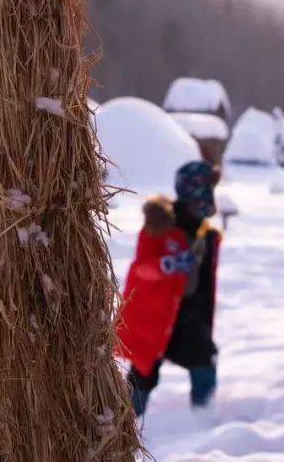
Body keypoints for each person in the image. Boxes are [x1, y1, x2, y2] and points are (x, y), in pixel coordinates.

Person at [116, 160, 222, 417]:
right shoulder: (161, 224)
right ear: (192, 190)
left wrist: (205, 323)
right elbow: (141, 269)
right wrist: (169, 264)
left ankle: (203, 422)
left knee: (204, 364)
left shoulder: (206, 233)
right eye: (204, 189)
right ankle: (124, 427)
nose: (209, 196)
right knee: (143, 374)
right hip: (155, 316)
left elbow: (205, 287)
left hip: (188, 318)